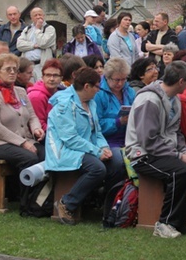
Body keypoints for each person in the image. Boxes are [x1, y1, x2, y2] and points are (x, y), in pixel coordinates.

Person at [125, 61, 186, 238]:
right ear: (182, 81)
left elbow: (176, 132)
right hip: (143, 154)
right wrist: (179, 155)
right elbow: (148, 140)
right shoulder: (149, 100)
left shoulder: (175, 100)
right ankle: (165, 223)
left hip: (165, 151)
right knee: (181, 171)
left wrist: (184, 151)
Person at [48, 67, 126, 225]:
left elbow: (96, 132)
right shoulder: (64, 106)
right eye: (97, 86)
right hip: (63, 150)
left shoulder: (91, 104)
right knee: (98, 168)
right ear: (86, 86)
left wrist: (104, 147)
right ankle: (66, 203)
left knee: (118, 162)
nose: (99, 90)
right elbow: (69, 139)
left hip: (84, 148)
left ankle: (108, 209)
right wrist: (97, 152)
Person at [0, 53, 45, 189]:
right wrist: (23, 143)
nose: (12, 72)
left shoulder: (20, 92)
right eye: (8, 69)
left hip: (23, 139)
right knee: (29, 158)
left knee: (45, 155)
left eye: (15, 69)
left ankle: (41, 201)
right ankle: (27, 201)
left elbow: (32, 116)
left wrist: (36, 129)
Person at [94, 58, 136, 154]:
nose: (120, 83)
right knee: (121, 160)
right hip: (107, 141)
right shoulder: (98, 94)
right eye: (117, 80)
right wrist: (118, 122)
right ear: (107, 77)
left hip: (129, 138)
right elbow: (96, 125)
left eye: (124, 79)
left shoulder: (130, 91)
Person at [17, 7, 57, 81]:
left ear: (43, 16)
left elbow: (42, 43)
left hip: (41, 65)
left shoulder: (49, 29)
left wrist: (38, 29)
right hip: (28, 66)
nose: (38, 17)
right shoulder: (27, 29)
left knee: (41, 86)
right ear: (31, 18)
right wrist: (33, 46)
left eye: (40, 15)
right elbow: (19, 45)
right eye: (35, 15)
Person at [27, 59, 64, 131]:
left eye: (55, 75)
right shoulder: (36, 96)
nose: (51, 79)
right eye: (48, 75)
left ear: (61, 78)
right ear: (42, 77)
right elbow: (39, 124)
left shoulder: (62, 92)